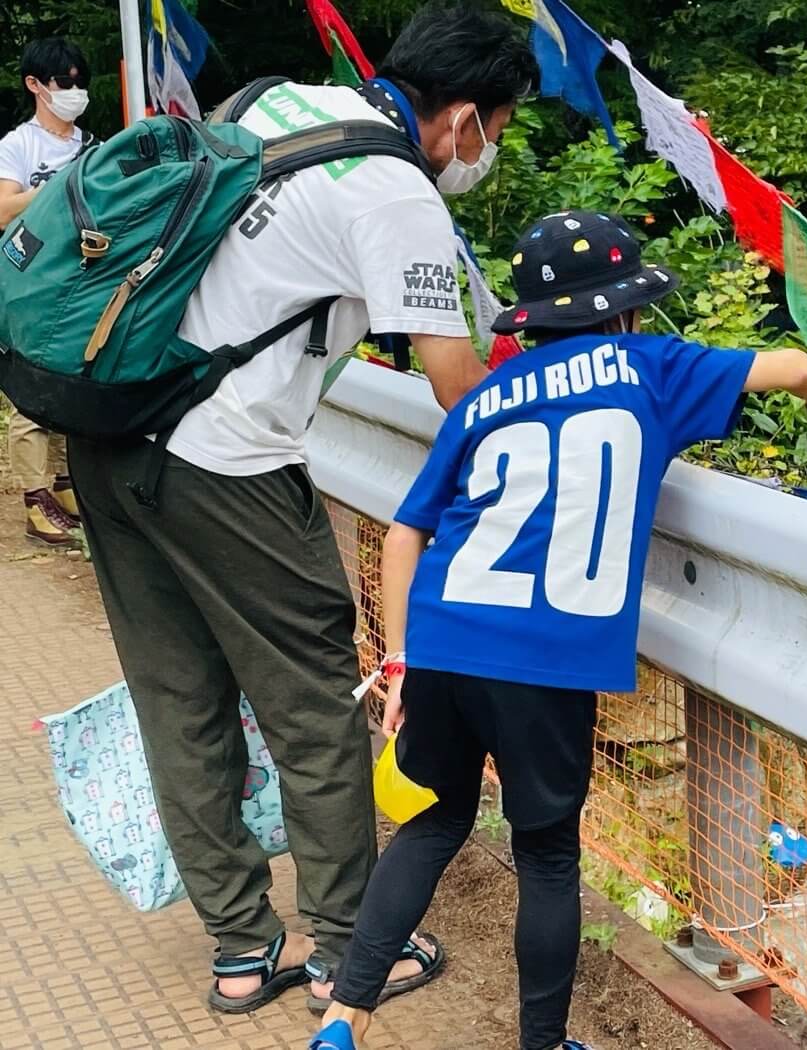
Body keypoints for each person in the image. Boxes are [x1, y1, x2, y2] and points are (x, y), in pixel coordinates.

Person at [64, 4, 537, 1014]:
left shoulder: (275, 97)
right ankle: (348, 947)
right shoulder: (395, 189)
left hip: (110, 435)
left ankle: (240, 953)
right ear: (458, 119)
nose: (485, 153)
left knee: (178, 698)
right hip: (225, 465)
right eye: (493, 131)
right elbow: (457, 381)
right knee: (316, 705)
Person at [309, 212, 807, 1050]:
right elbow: (791, 366)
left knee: (434, 822)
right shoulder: (650, 368)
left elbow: (403, 532)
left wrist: (398, 661)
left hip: (446, 640)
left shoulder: (485, 397)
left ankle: (342, 1019)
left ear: (530, 321)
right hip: (547, 659)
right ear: (624, 310)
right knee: (545, 856)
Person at [0, 38, 95, 545]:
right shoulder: (18, 146)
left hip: (81, 283)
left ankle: (63, 487)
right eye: (64, 83)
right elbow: (2, 209)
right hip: (30, 284)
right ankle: (35, 501)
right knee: (31, 393)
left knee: (70, 387)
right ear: (35, 85)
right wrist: (59, 190)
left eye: (81, 83)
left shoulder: (93, 146)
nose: (74, 92)